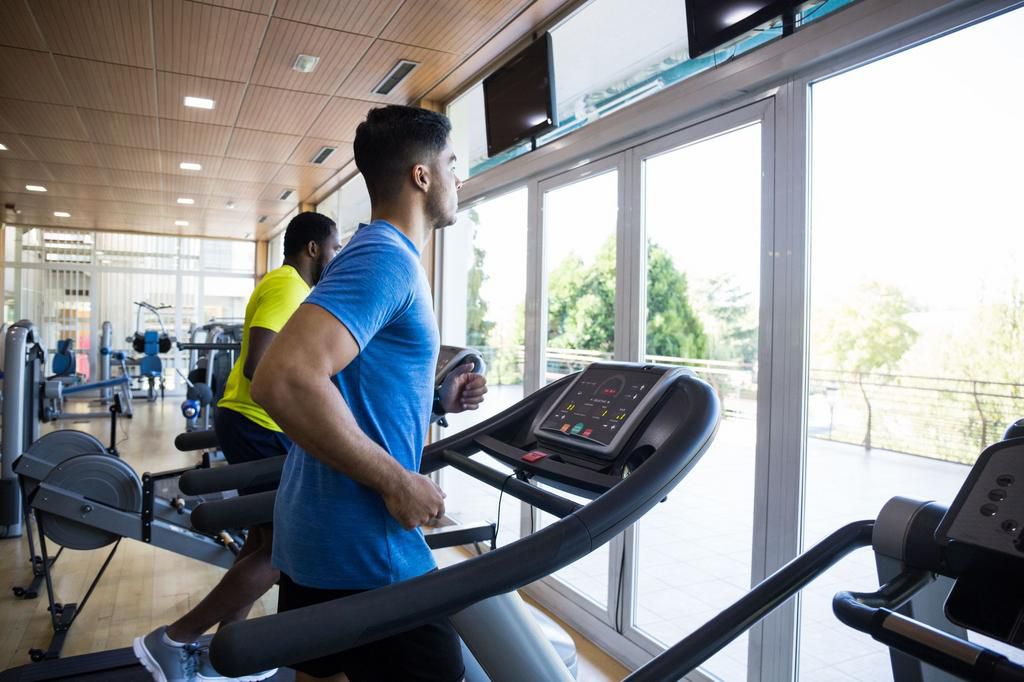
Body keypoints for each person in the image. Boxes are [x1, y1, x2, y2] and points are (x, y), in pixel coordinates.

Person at [250, 105, 487, 682]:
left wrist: (434, 402)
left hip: (320, 535)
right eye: (452, 163)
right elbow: (281, 377)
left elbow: (345, 382)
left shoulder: (374, 254)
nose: (461, 178)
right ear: (422, 175)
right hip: (367, 549)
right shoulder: (385, 258)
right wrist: (398, 481)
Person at [134, 211, 342, 682]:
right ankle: (174, 639)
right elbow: (261, 367)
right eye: (333, 247)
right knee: (284, 550)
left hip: (250, 422)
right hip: (256, 423)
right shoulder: (289, 286)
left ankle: (228, 652)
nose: (336, 256)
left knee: (261, 540)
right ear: (312, 248)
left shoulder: (291, 288)